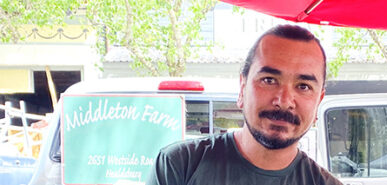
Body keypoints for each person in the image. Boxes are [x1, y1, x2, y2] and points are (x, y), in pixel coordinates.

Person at [146, 24, 342, 185]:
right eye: (269, 80)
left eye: (303, 86)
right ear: (242, 89)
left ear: (319, 102)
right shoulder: (180, 165)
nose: (284, 101)